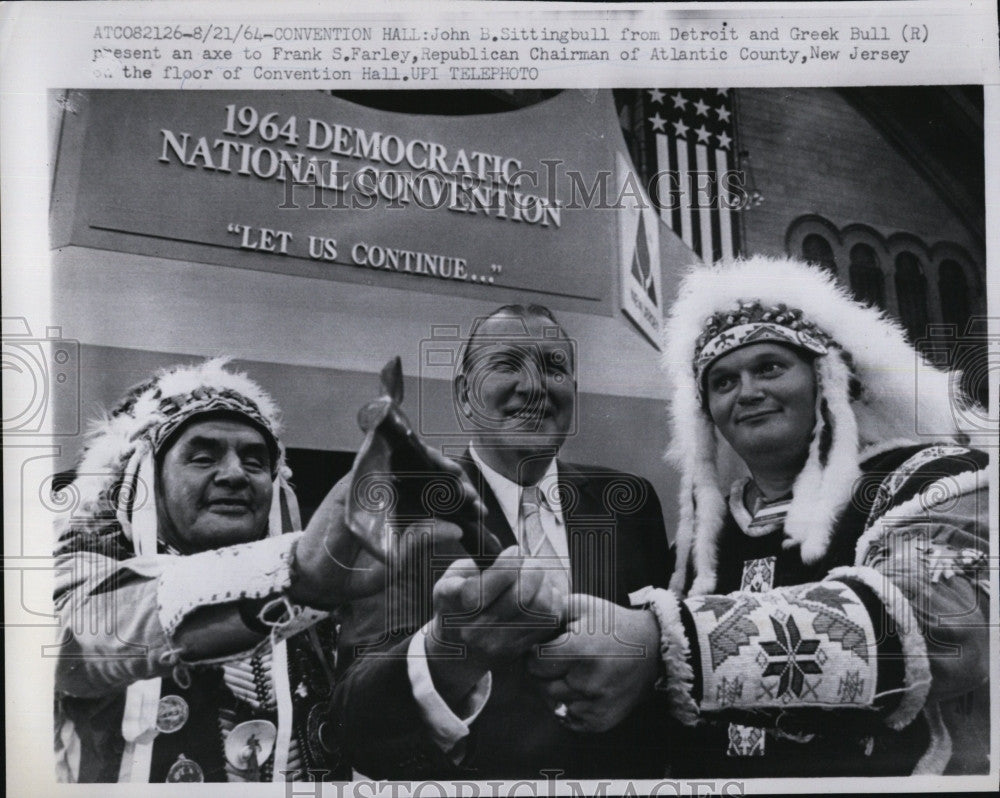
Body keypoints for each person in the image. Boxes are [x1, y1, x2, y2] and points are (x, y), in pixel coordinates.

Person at [532, 257, 990, 777]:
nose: (747, 392)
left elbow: (948, 632)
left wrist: (665, 645)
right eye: (723, 381)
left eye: (770, 367)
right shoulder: (702, 540)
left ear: (827, 378)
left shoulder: (935, 479)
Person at [53, 358, 471, 783]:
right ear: (145, 481)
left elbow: (372, 732)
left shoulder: (324, 598)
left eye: (255, 461)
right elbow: (89, 634)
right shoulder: (71, 573)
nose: (235, 474)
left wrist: (454, 646)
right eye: (202, 457)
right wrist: (296, 576)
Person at [332, 304, 674, 779]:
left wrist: (648, 665)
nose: (534, 386)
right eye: (507, 364)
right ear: (464, 395)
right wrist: (447, 652)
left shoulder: (631, 504)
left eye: (555, 366)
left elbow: (669, 664)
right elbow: (354, 712)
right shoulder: (406, 508)